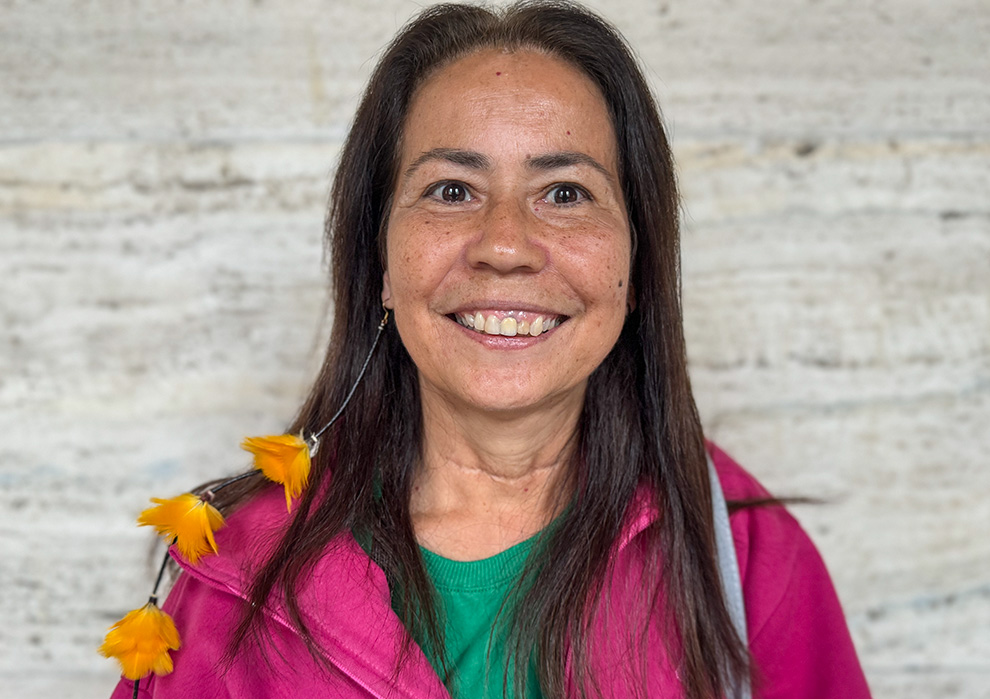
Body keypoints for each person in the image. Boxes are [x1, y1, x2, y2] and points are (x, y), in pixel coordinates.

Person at [106, 2, 871, 697]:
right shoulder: (232, 574)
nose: (505, 245)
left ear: (636, 266)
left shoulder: (744, 556)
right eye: (452, 190)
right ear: (379, 261)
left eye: (565, 193)